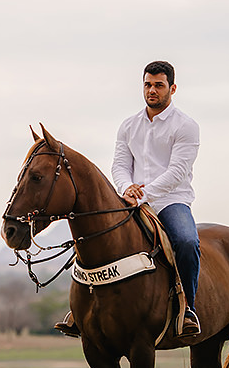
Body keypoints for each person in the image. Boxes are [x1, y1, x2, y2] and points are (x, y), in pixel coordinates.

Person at [56, 60, 201, 337]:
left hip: (170, 201)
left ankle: (188, 310)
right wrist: (127, 189)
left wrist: (143, 194)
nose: (152, 91)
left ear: (172, 88)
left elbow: (177, 171)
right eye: (147, 85)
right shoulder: (129, 125)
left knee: (186, 241)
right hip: (131, 200)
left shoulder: (186, 126)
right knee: (94, 237)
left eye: (159, 85)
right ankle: (81, 310)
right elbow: (120, 165)